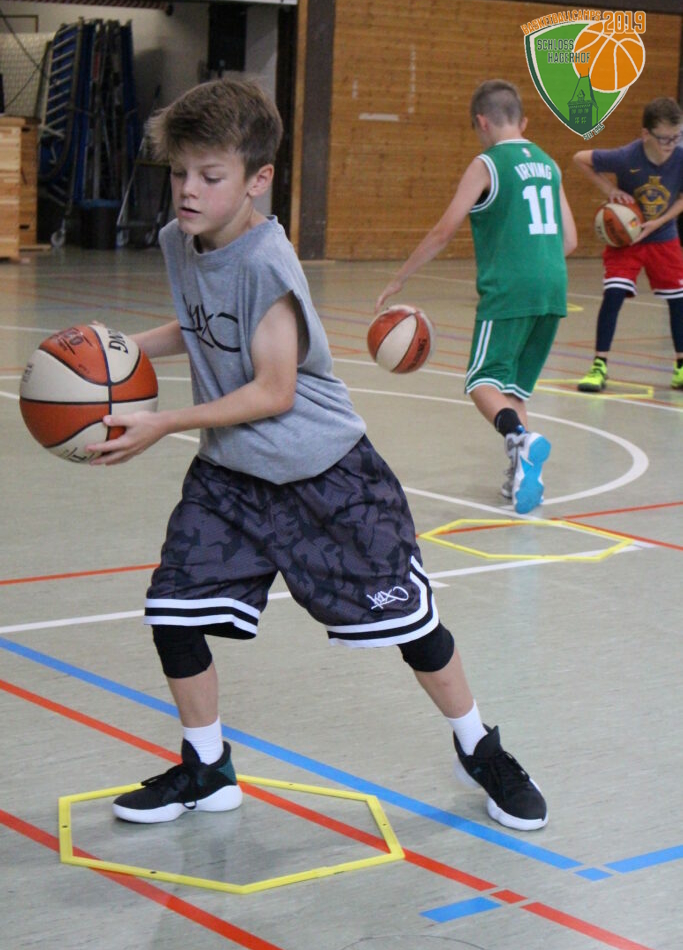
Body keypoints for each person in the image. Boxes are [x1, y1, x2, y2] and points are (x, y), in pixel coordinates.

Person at [87, 77, 548, 832]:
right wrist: (110, 351)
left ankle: (480, 747)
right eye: (179, 173)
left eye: (211, 176)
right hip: (232, 476)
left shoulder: (268, 262)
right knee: (173, 612)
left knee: (412, 628)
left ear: (257, 179)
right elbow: (199, 324)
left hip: (326, 474)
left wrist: (163, 421)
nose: (189, 190)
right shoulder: (178, 242)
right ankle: (207, 768)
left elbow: (273, 390)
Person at [376, 79, 577, 514]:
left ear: (482, 122)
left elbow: (443, 230)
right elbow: (570, 240)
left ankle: (521, 439)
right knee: (512, 387)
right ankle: (523, 472)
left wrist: (400, 278)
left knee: (481, 381)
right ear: (522, 121)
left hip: (509, 288)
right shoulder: (549, 164)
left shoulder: (487, 163)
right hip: (553, 286)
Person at [573, 97, 683, 392]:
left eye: (676, 137)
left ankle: (681, 366)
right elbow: (580, 158)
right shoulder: (626, 157)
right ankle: (599, 365)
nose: (671, 144)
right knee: (613, 295)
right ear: (646, 134)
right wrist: (609, 188)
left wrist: (660, 222)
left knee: (678, 300)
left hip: (664, 238)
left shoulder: (680, 157)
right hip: (627, 242)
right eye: (664, 138)